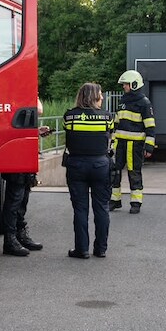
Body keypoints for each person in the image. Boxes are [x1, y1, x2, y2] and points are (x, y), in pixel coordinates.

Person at [62, 83, 113, 259]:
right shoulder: (107, 117)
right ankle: (101, 249)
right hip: (100, 166)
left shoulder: (70, 116)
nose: (103, 98)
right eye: (100, 95)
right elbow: (110, 137)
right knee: (102, 208)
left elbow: (68, 134)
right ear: (94, 97)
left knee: (80, 209)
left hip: (76, 166)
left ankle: (81, 249)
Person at [1, 100, 52, 256]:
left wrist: (36, 131)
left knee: (23, 199)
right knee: (15, 199)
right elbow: (39, 109)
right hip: (16, 155)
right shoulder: (15, 97)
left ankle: (19, 235)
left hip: (25, 155)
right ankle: (10, 240)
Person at [110, 69, 156, 214]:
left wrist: (149, 146)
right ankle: (114, 200)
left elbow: (150, 126)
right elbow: (116, 123)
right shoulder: (123, 101)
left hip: (135, 145)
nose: (124, 87)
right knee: (114, 172)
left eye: (126, 84)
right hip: (120, 144)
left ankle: (136, 202)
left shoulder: (144, 103)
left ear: (134, 85)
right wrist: (111, 141)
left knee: (134, 173)